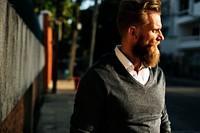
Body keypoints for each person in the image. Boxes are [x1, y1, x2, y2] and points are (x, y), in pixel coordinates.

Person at [70, 0, 171, 132]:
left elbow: (164, 122)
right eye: (155, 30)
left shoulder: (158, 75)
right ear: (133, 33)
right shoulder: (98, 78)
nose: (161, 37)